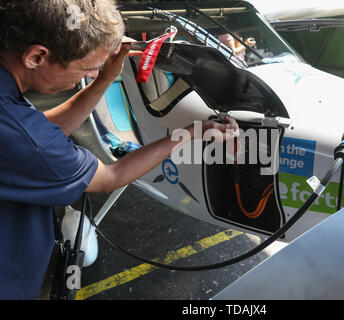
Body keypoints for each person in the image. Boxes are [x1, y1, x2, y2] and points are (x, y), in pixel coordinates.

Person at [0, 0, 238, 299]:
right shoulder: (26, 140)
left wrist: (104, 78)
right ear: (37, 56)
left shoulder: (10, 106)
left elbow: (41, 130)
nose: (89, 74)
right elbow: (110, 175)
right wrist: (191, 133)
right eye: (88, 68)